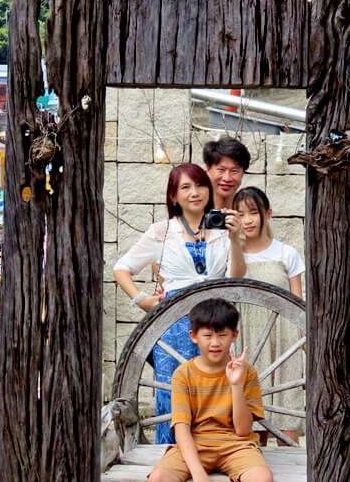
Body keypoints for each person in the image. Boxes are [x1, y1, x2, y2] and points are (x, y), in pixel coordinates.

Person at [113, 164, 245, 444]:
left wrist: (235, 239)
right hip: (173, 326)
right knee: (173, 395)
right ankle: (171, 457)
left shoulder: (222, 229)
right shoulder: (162, 231)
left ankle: (215, 453)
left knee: (216, 393)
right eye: (185, 187)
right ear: (173, 196)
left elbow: (236, 278)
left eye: (200, 186)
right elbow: (121, 268)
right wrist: (141, 300)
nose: (195, 193)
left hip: (216, 320)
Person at [148, 299, 272, 482]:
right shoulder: (182, 374)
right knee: (158, 478)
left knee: (262, 478)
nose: (215, 343)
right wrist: (198, 473)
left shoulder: (246, 371)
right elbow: (182, 429)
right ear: (194, 336)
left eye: (222, 335)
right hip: (194, 444)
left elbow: (243, 430)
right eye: (207, 336)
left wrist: (236, 385)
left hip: (236, 445)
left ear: (234, 335)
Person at [233, 186, 305, 444]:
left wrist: (304, 343)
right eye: (240, 214)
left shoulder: (287, 254)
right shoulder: (233, 255)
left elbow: (298, 304)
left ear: (268, 214)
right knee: (253, 421)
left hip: (283, 340)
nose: (247, 220)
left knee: (288, 415)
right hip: (247, 340)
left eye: (253, 212)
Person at [203, 137, 251, 210]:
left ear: (243, 173)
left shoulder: (248, 214)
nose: (227, 178)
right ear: (208, 169)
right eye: (221, 170)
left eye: (234, 171)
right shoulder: (194, 211)